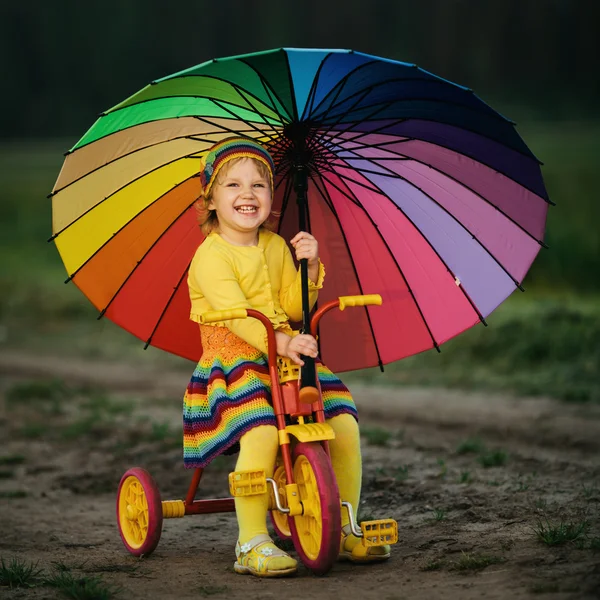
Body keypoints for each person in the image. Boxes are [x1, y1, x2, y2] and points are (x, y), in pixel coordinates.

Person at [183, 137, 390, 577]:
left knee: (343, 422)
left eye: (259, 185)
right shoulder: (210, 258)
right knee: (259, 433)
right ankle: (250, 540)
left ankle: (346, 522)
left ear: (272, 196)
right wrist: (283, 342)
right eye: (233, 185)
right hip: (233, 365)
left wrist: (310, 269)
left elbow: (295, 310)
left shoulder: (276, 246)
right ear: (211, 200)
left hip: (285, 358)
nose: (248, 195)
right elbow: (240, 320)